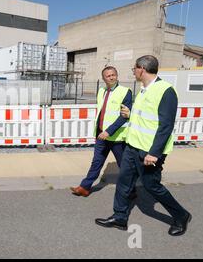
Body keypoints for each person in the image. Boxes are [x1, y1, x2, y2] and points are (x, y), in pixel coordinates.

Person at [95, 55, 192, 236]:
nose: (133, 71)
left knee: (152, 186)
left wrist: (154, 153)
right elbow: (146, 118)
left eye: (134, 68)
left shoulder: (166, 90)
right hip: (132, 147)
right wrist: (130, 114)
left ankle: (181, 215)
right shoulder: (143, 90)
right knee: (123, 183)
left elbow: (166, 126)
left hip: (149, 151)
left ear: (142, 69)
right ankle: (120, 217)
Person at [70, 66, 133, 197]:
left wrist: (108, 131)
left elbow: (124, 116)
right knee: (96, 162)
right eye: (108, 76)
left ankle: (131, 191)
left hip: (117, 137)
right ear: (103, 78)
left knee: (124, 166)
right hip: (101, 135)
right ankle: (85, 187)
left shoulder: (125, 91)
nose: (111, 77)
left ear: (117, 75)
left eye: (113, 75)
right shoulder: (101, 91)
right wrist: (100, 131)